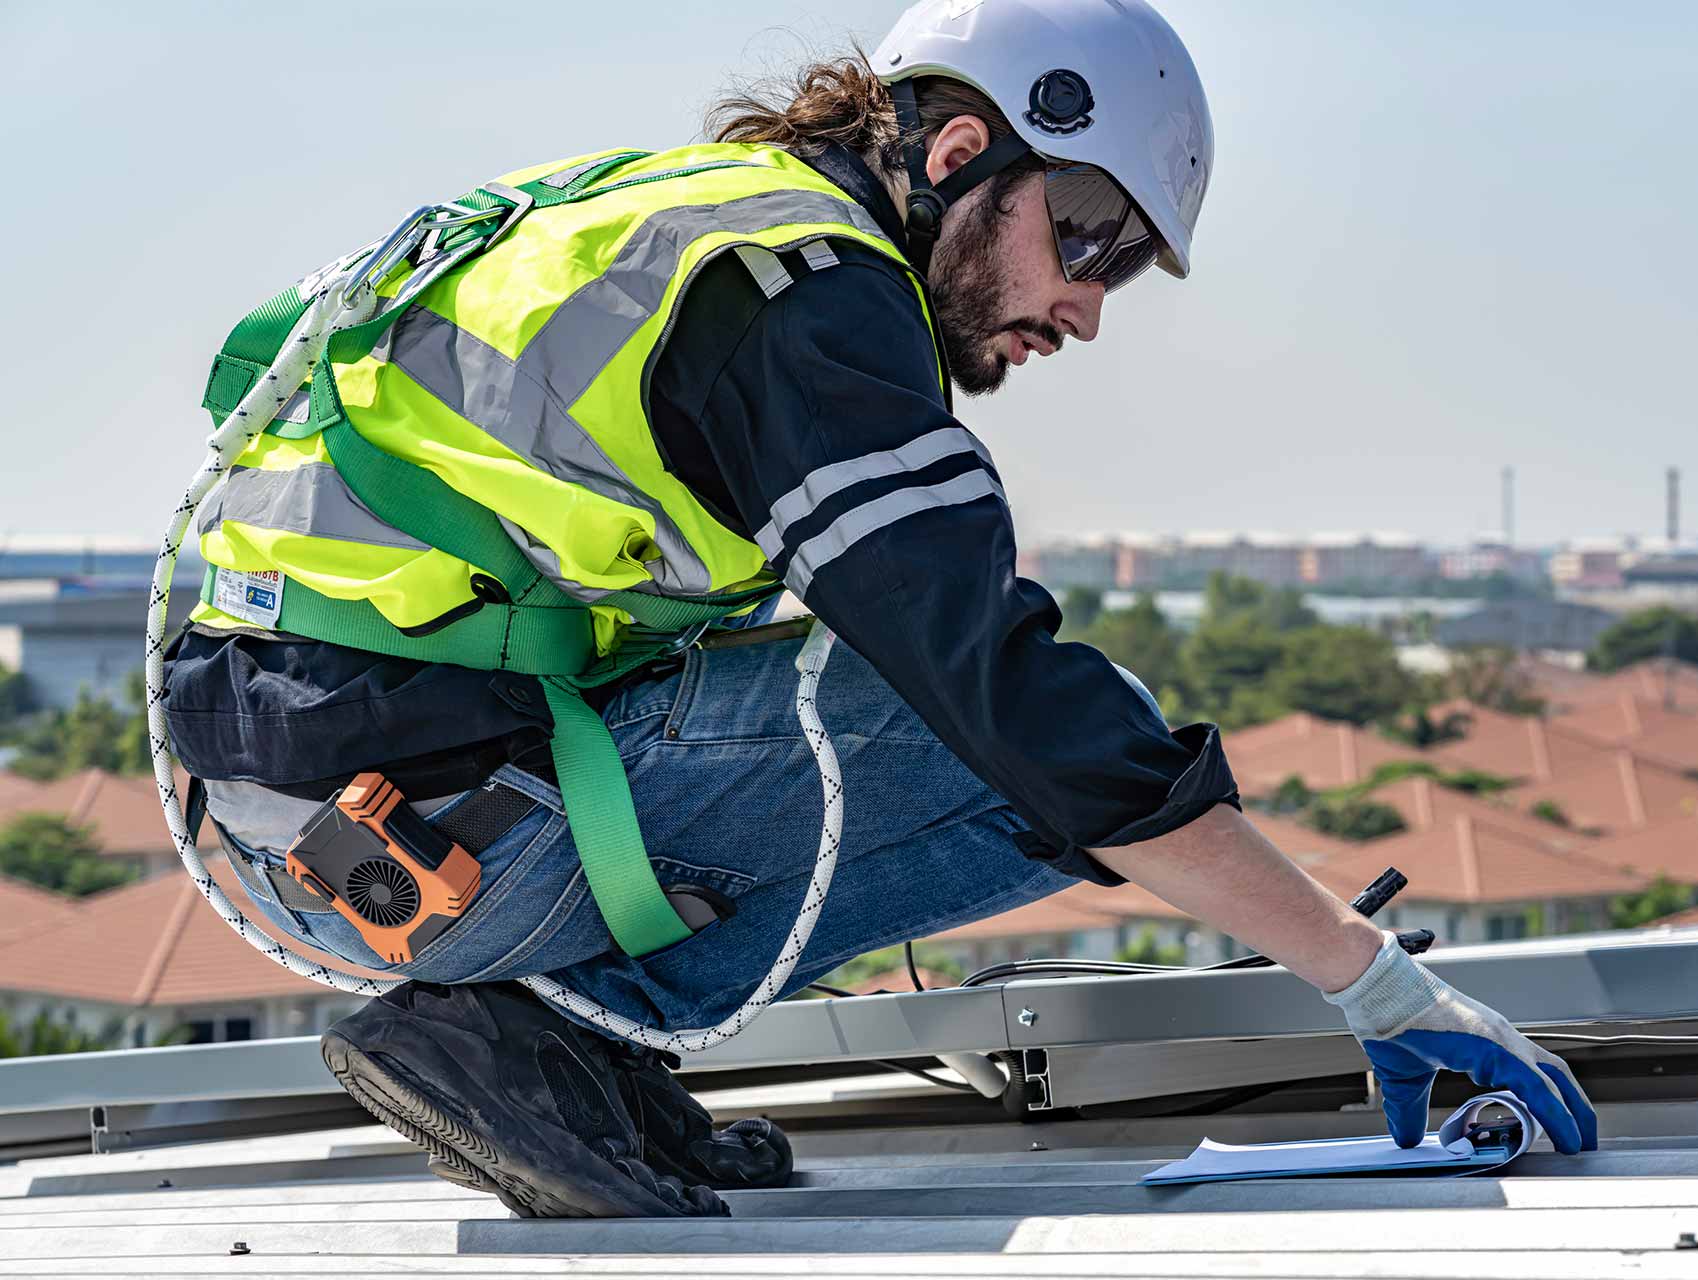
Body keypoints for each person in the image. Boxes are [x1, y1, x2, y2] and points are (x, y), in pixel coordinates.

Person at [163, 0, 1596, 1220]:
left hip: (317, 801)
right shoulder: (803, 294)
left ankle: (566, 1056)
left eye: (1123, 267)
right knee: (1029, 748)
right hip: (390, 827)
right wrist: (1374, 986)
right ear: (961, 151)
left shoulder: (687, 223)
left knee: (926, 685)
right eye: (1088, 233)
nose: (1088, 308)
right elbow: (1000, 689)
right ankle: (532, 1037)